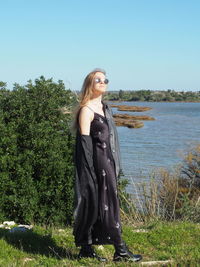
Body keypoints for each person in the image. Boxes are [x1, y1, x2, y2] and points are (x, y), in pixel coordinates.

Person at [72, 68, 142, 262]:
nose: (103, 82)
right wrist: (88, 171)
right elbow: (84, 144)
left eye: (105, 79)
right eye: (98, 80)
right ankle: (120, 250)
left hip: (108, 161)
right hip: (97, 164)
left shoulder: (105, 107)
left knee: (101, 203)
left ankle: (86, 249)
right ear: (89, 85)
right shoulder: (86, 110)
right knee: (104, 202)